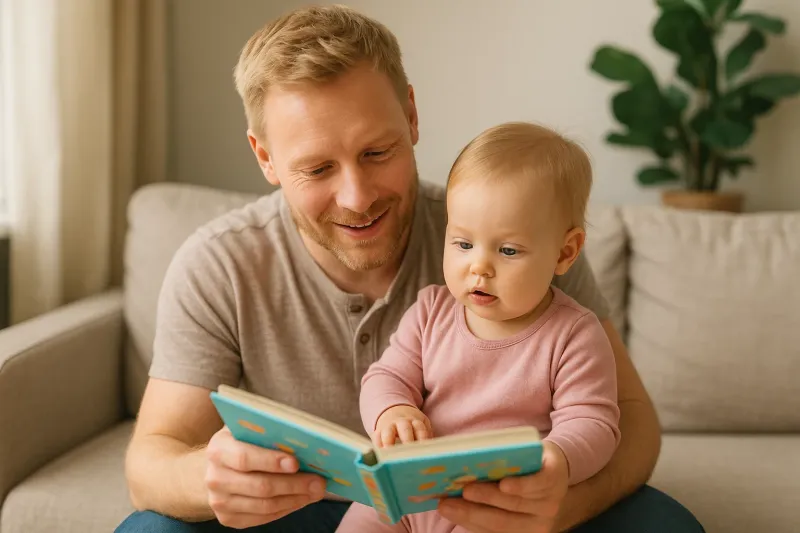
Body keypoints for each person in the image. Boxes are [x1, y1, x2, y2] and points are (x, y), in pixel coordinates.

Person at [116, 5, 705, 533]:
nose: (356, 197)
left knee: (667, 525)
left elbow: (630, 422)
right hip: (294, 509)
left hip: (486, 509)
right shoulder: (218, 263)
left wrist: (559, 507)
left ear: (412, 116)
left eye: (377, 152)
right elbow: (151, 463)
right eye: (318, 169)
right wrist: (212, 481)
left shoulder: (511, 236)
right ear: (265, 158)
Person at [336, 122, 622, 533]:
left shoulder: (573, 333)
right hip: (406, 491)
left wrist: (557, 457)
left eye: (508, 250)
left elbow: (593, 421)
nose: (479, 267)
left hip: (495, 503)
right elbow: (386, 375)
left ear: (565, 252)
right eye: (463, 243)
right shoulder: (431, 311)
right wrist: (392, 410)